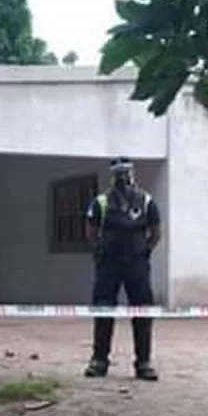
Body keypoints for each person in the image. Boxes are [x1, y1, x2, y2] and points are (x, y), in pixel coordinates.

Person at [83, 157, 161, 381]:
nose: (123, 179)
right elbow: (91, 230)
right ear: (113, 177)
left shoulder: (146, 201)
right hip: (109, 264)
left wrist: (144, 252)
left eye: (126, 174)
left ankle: (144, 362)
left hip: (136, 264)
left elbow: (156, 233)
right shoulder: (101, 201)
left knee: (143, 312)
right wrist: (99, 251)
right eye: (119, 174)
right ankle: (99, 361)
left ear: (133, 174)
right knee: (104, 310)